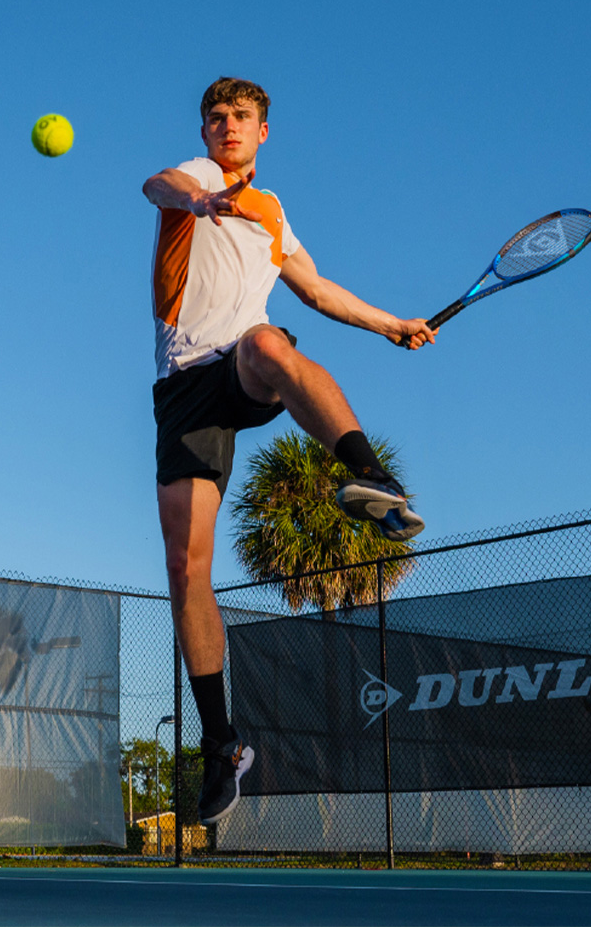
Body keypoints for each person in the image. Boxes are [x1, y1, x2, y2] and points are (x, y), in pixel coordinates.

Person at [142, 77, 437, 825]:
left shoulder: (273, 212)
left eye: (241, 117)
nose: (227, 126)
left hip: (243, 365)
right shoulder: (196, 178)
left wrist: (392, 324)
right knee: (185, 571)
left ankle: (372, 476)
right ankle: (222, 744)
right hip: (184, 386)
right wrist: (197, 200)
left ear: (263, 131)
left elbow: (317, 288)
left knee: (268, 342)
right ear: (204, 132)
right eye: (216, 117)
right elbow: (157, 184)